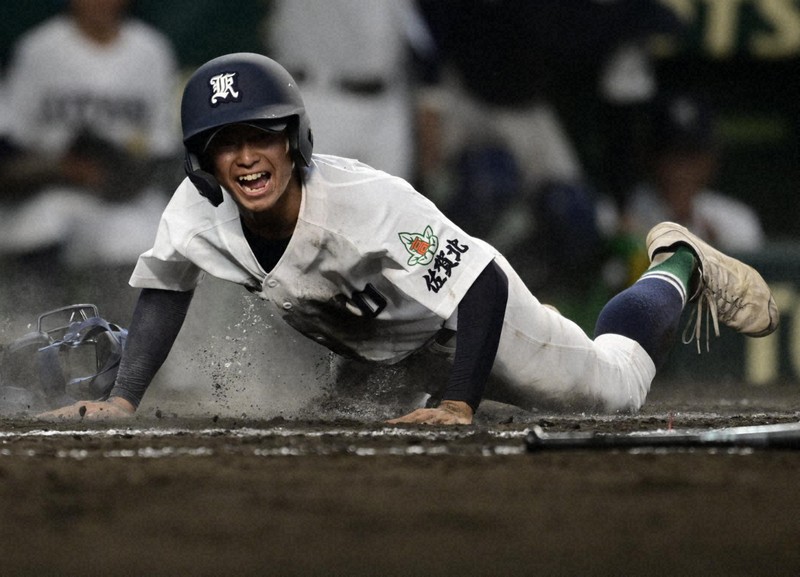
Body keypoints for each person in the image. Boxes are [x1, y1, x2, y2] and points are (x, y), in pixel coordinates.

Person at [39, 53, 779, 424]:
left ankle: (678, 260)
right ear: (203, 160)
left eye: (258, 135)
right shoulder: (197, 209)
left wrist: (459, 403)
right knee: (329, 427)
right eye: (222, 144)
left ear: (292, 139)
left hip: (469, 321)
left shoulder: (363, 202)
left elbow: (481, 283)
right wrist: (124, 401)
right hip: (384, 347)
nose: (244, 156)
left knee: (613, 389)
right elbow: (166, 284)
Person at [0, 0, 181, 271]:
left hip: (126, 196)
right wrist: (58, 168)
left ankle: (122, 313)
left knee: (145, 242)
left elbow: (162, 145)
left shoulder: (151, 50)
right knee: (39, 230)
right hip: (49, 189)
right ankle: (33, 311)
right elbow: (12, 138)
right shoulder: (40, 48)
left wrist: (121, 173)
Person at [622, 93, 766, 254]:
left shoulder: (737, 221)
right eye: (673, 155)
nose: (682, 169)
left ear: (711, 160)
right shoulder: (624, 210)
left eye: (692, 155)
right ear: (651, 158)